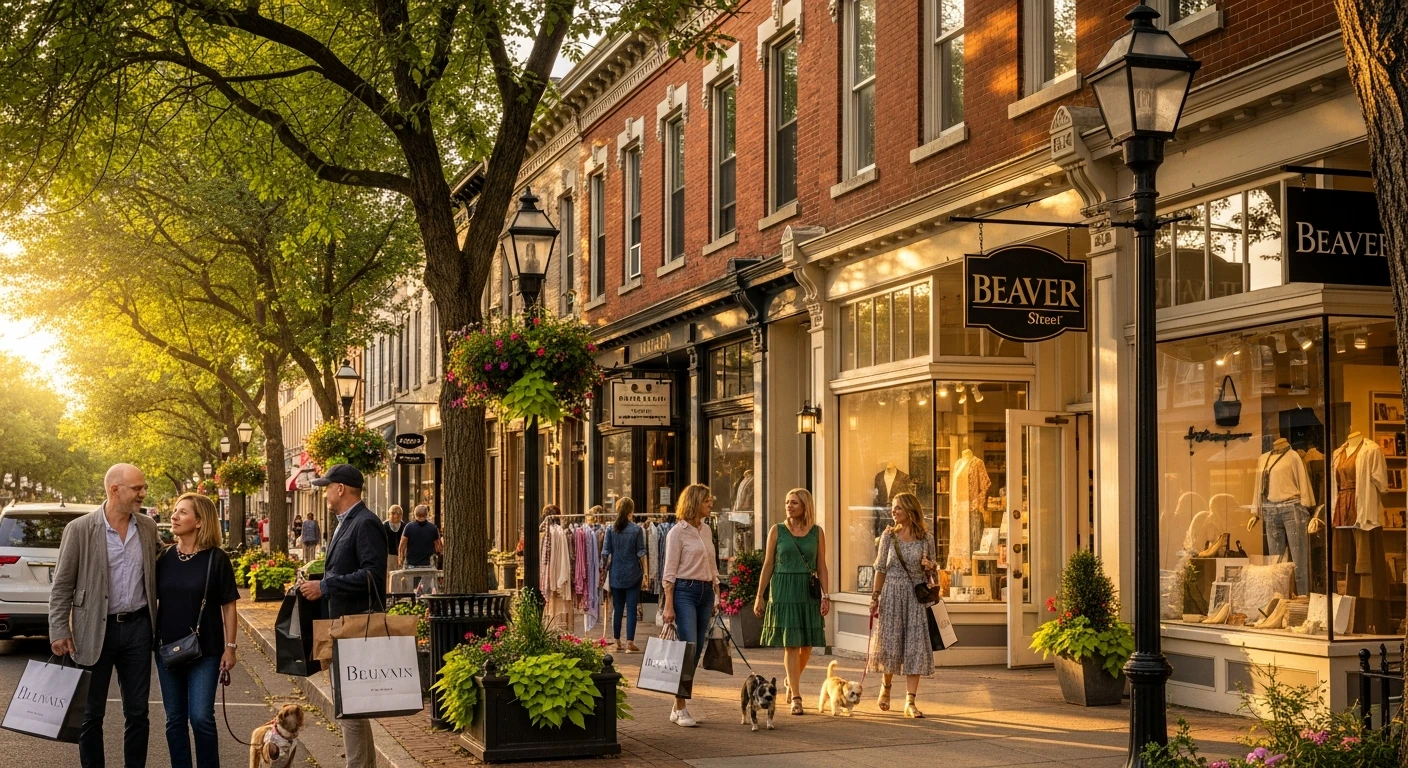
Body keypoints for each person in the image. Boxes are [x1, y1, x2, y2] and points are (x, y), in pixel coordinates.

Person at [49, 463, 160, 768]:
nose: (143, 493)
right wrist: (59, 630)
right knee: (90, 714)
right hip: (93, 630)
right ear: (115, 490)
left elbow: (163, 564)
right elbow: (62, 585)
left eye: (143, 487)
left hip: (138, 629)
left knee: (138, 712)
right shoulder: (80, 529)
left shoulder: (147, 527)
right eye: (137, 488)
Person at [297, 464, 387, 768]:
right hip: (341, 624)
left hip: (355, 626)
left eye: (327, 487)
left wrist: (325, 586)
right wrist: (317, 580)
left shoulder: (365, 522)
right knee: (351, 706)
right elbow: (347, 568)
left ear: (341, 489)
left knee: (349, 707)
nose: (325, 493)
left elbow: (373, 574)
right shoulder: (347, 521)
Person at [155, 492, 240, 768]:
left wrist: (230, 647)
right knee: (174, 720)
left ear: (200, 521)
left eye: (182, 512)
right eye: (175, 511)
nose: (174, 516)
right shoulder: (164, 557)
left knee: (201, 717)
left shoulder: (217, 559)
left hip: (205, 651)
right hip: (167, 648)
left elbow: (229, 606)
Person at [754, 488, 829, 715]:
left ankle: (790, 679)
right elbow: (768, 564)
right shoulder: (777, 530)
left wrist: (826, 595)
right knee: (791, 643)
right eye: (787, 502)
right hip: (783, 590)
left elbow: (822, 566)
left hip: (807, 591)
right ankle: (796, 696)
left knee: (807, 645)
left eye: (794, 502)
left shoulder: (817, 532)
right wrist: (760, 595)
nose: (789, 506)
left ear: (805, 506)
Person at [868, 491, 936, 719]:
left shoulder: (926, 537)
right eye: (893, 507)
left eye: (898, 507)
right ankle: (886, 686)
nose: (893, 511)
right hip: (891, 594)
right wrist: (875, 596)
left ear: (910, 510)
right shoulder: (889, 536)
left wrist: (930, 566)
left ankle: (910, 702)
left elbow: (933, 570)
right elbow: (880, 568)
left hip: (915, 596)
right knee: (891, 643)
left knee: (915, 647)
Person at [661, 484, 719, 728]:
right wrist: (668, 606)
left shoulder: (706, 530)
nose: (710, 504)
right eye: (706, 500)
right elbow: (669, 572)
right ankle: (681, 707)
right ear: (694, 502)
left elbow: (712, 565)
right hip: (685, 592)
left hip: (705, 593)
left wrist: (717, 594)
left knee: (695, 651)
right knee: (688, 649)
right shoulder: (677, 533)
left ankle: (678, 704)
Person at [600, 497, 647, 653]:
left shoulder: (610, 529)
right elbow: (641, 553)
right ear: (631, 511)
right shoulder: (637, 530)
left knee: (618, 608)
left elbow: (605, 552)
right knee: (631, 609)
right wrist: (645, 573)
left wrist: (603, 571)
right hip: (633, 573)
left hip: (616, 573)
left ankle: (617, 641)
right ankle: (629, 643)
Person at [399, 504, 441, 568]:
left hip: (412, 564)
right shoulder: (433, 528)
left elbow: (402, 546)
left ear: (414, 514)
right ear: (426, 514)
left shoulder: (409, 527)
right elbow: (438, 547)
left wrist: (400, 559)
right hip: (428, 564)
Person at [384, 505, 405, 576]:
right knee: (389, 574)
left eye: (398, 514)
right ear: (389, 514)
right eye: (393, 513)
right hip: (389, 555)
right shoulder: (384, 526)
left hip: (402, 555)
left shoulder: (404, 526)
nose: (396, 516)